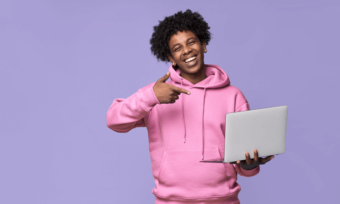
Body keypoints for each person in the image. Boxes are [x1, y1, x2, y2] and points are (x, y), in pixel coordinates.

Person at [107, 9, 274, 204]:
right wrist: (151, 96)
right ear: (170, 57)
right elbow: (114, 121)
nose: (186, 50)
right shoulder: (157, 93)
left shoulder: (233, 96)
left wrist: (249, 165)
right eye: (177, 48)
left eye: (191, 42)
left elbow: (244, 164)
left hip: (224, 200)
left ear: (203, 45)